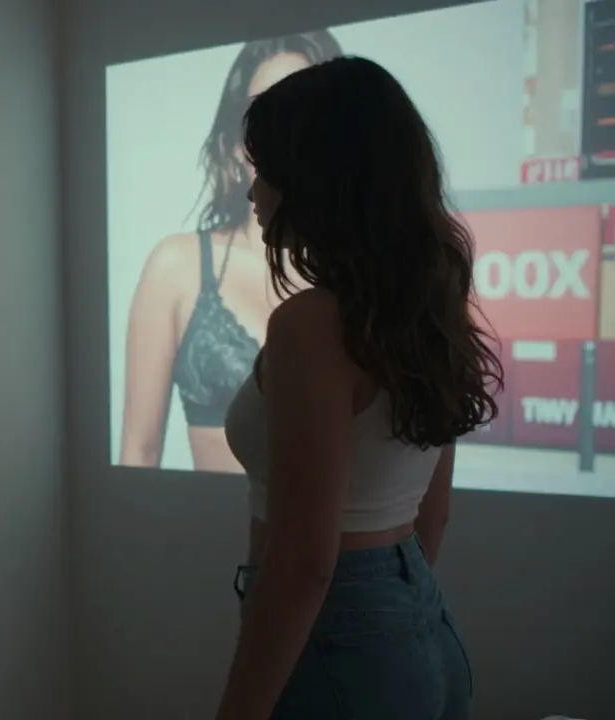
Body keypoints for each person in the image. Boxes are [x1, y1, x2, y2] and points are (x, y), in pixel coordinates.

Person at [214, 56, 500, 720]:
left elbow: (304, 561)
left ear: (318, 182)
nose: (253, 194)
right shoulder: (431, 305)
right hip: (416, 620)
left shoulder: (312, 325)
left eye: (267, 172)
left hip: (340, 634)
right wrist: (389, 617)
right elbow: (434, 512)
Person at [120, 31, 343, 473]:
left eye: (300, 109)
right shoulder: (177, 267)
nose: (281, 131)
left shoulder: (369, 273)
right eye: (262, 110)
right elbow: (138, 454)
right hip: (210, 536)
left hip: (336, 540)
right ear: (235, 138)